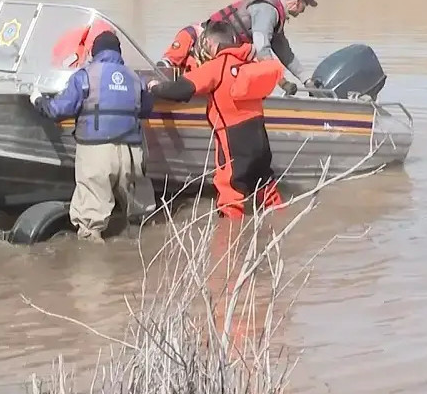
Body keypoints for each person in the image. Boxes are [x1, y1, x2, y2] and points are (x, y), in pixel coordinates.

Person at [147, 21, 284, 220]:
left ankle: (229, 243)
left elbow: (181, 89)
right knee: (265, 185)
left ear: (211, 44)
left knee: (230, 191)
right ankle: (282, 228)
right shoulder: (250, 64)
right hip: (259, 138)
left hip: (233, 139)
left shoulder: (217, 67)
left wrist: (154, 87)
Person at [29, 31, 157, 243]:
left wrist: (38, 100)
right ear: (118, 52)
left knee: (90, 221)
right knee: (141, 216)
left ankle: (94, 268)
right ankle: (141, 258)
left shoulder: (85, 75)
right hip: (132, 153)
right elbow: (146, 109)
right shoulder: (135, 78)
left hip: (97, 153)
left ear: (94, 52)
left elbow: (58, 110)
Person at [200, 0, 322, 94]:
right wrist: (282, 82)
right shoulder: (267, 11)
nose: (304, 10)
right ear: (298, 1)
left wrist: (307, 80)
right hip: (210, 43)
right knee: (249, 61)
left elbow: (285, 54)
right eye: (305, 5)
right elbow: (261, 50)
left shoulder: (277, 14)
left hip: (226, 46)